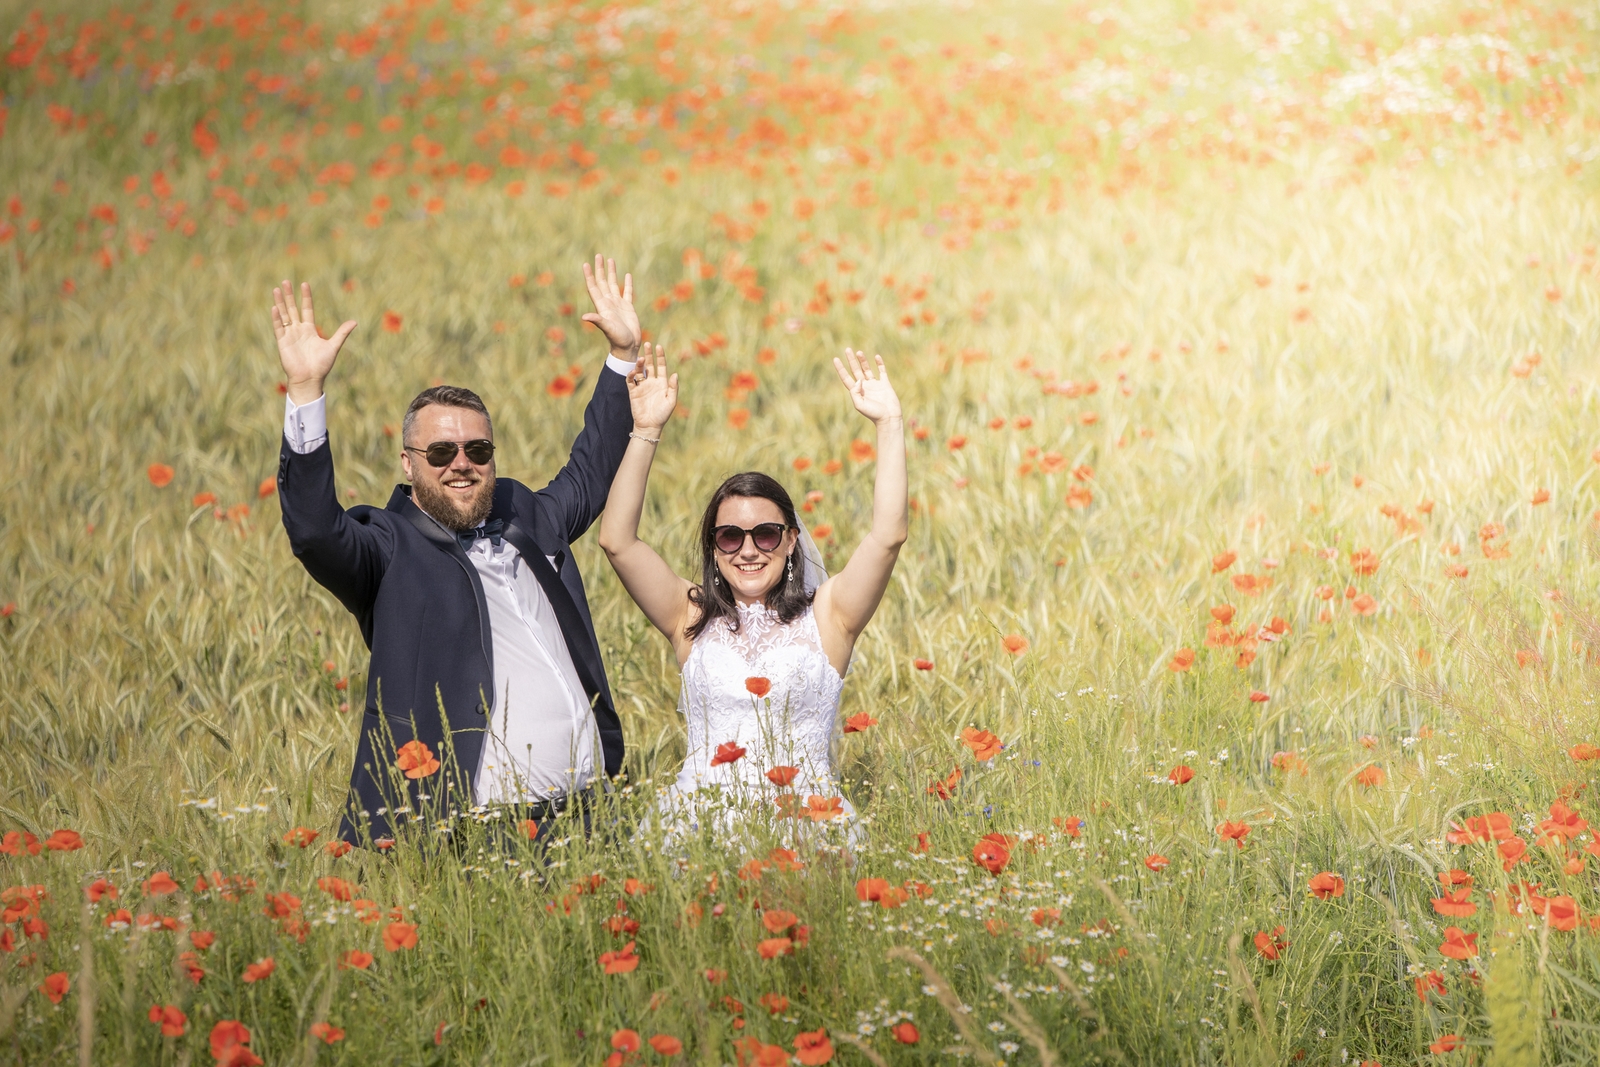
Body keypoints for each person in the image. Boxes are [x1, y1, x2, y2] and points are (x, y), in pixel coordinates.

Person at [273, 256, 662, 849]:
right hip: (485, 834)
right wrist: (305, 393)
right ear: (408, 463)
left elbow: (589, 473)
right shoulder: (386, 549)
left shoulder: (522, 511)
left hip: (590, 814)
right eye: (441, 452)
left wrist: (623, 357)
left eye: (478, 449)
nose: (462, 463)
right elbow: (314, 533)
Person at [597, 346, 906, 844]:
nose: (748, 551)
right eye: (729, 537)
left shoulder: (829, 616)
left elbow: (888, 536)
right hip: (697, 832)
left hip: (806, 831)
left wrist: (889, 424)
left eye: (765, 535)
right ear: (714, 548)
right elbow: (617, 540)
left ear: (789, 540)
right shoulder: (689, 615)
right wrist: (646, 431)